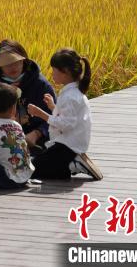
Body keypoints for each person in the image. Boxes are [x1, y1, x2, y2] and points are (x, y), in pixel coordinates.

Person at [0, 40, 56, 153]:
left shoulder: (40, 83)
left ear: (24, 60)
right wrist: (2, 98)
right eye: (7, 64)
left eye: (16, 62)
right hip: (2, 134)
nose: (12, 67)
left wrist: (37, 134)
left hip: (32, 135)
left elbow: (56, 117)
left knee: (54, 139)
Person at [27, 48, 103, 180]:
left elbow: (66, 124)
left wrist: (40, 114)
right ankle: (68, 165)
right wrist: (53, 107)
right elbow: (67, 117)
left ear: (66, 72)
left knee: (32, 170)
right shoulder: (72, 93)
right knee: (39, 166)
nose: (52, 74)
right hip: (68, 145)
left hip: (67, 147)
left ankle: (73, 164)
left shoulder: (70, 96)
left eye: (54, 71)